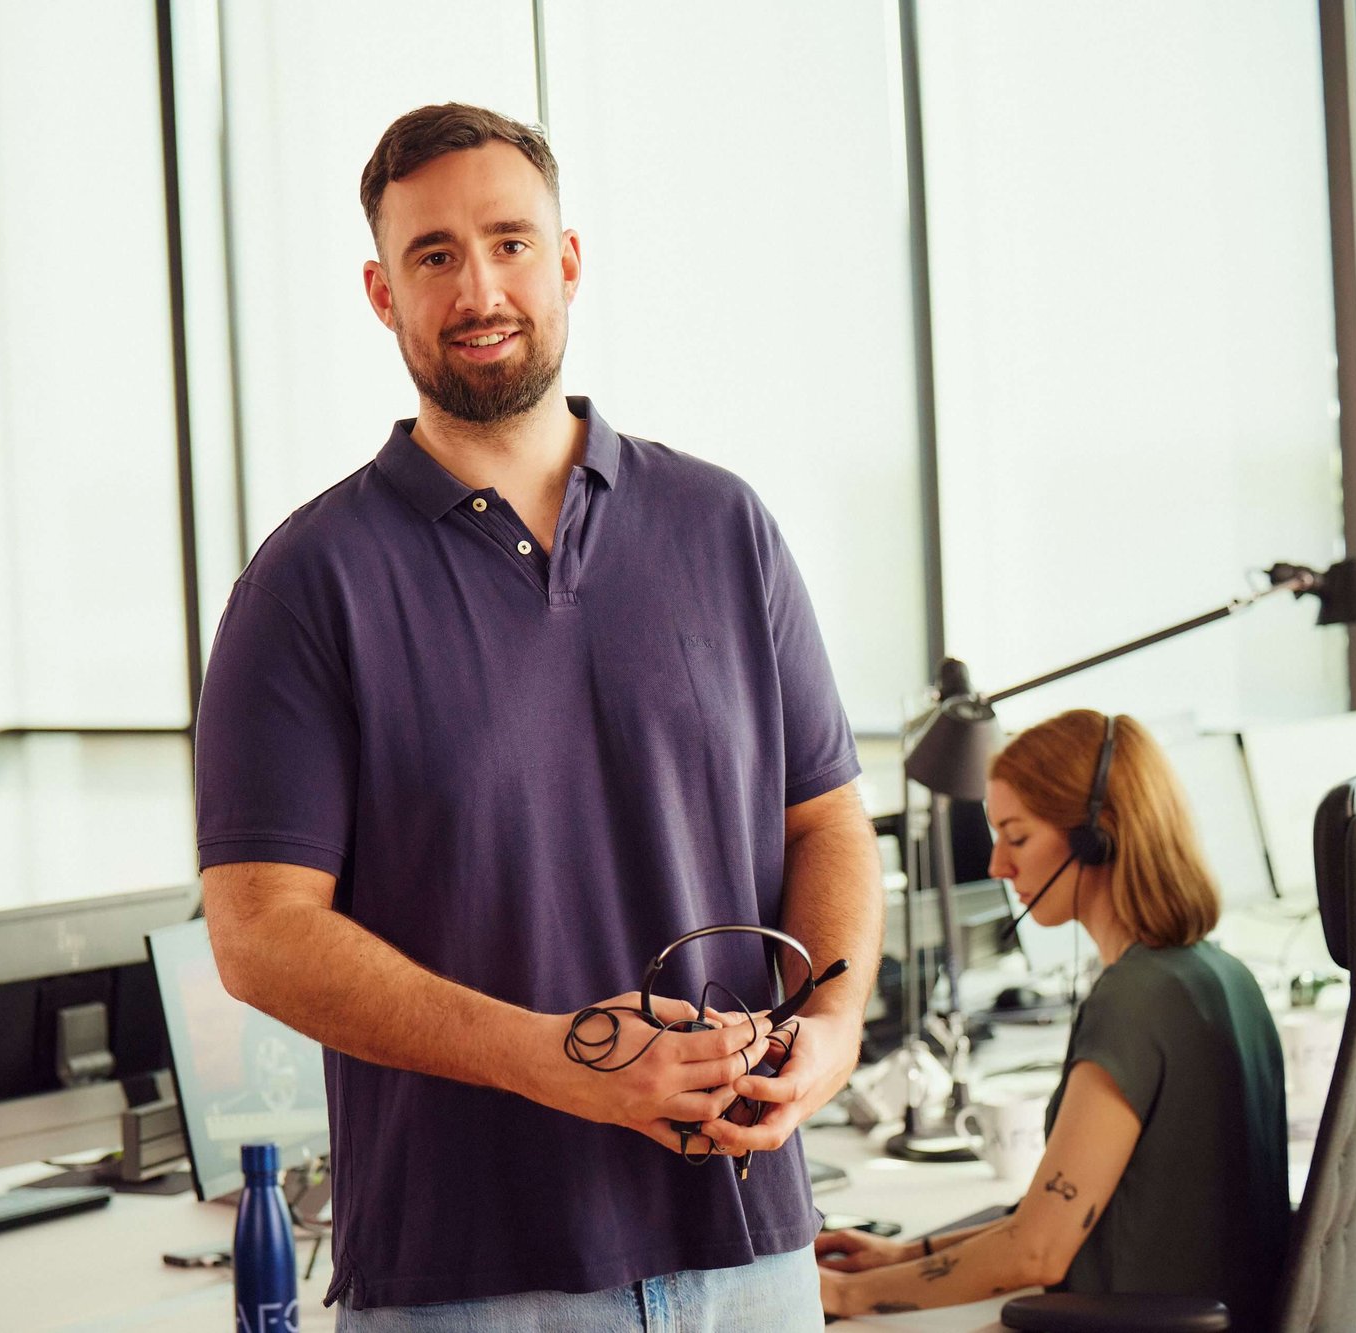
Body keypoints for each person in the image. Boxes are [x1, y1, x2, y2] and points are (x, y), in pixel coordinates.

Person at [194, 102, 882, 1329]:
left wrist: (829, 1029)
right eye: (434, 255)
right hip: (469, 1278)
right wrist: (566, 1060)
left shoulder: (723, 527)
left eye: (509, 242)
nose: (479, 287)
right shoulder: (307, 582)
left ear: (567, 259)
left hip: (750, 1253)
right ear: (380, 292)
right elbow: (258, 937)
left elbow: (826, 820)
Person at [816, 711, 1287, 1326]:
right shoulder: (1218, 973)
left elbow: (1037, 1252)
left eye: (1017, 836)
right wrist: (903, 1256)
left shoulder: (1135, 1000)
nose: (997, 866)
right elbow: (1053, 1214)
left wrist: (841, 1296)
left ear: (1098, 837)